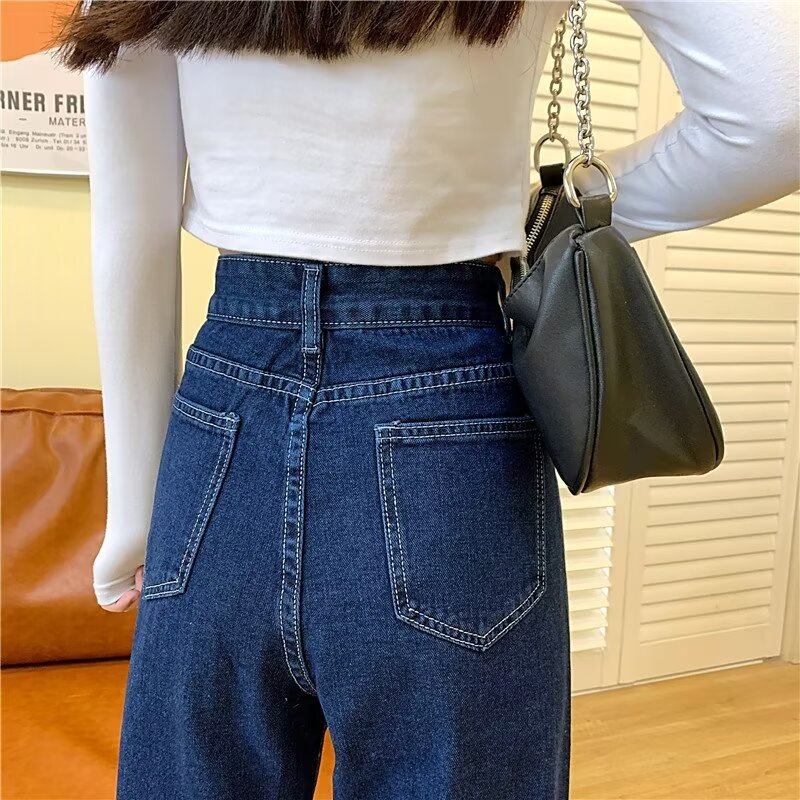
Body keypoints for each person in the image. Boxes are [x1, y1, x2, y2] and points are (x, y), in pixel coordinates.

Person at [55, 1, 799, 798]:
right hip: (450, 408)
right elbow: (778, 110)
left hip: (224, 421)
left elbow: (130, 223)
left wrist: (134, 512)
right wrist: (540, 210)